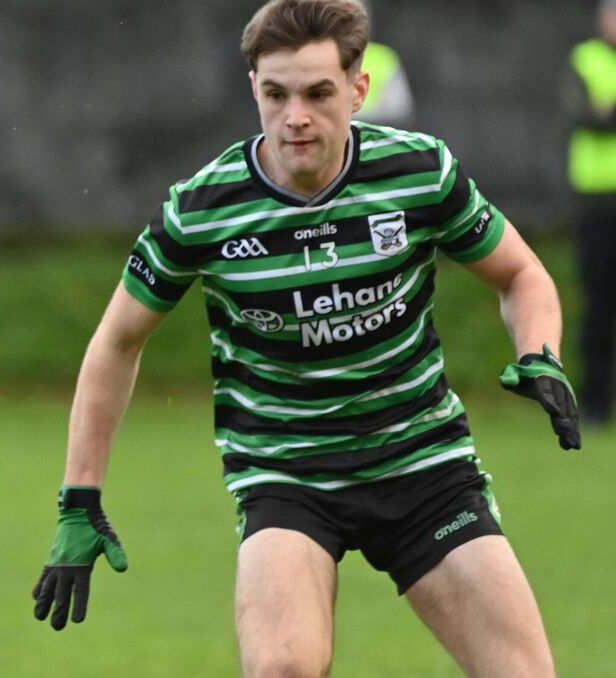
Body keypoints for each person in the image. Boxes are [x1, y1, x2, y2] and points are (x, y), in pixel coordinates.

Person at [30, 1, 581, 676]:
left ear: (358, 90)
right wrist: (79, 497)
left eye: (319, 94)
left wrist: (539, 353)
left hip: (422, 467)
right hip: (286, 475)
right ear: (253, 90)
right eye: (276, 94)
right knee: (283, 668)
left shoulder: (418, 174)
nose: (296, 117)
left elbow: (521, 274)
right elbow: (116, 341)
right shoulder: (202, 211)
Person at [567, 0, 616, 426]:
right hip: (599, 203)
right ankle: (596, 404)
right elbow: (587, 117)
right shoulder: (584, 60)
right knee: (598, 307)